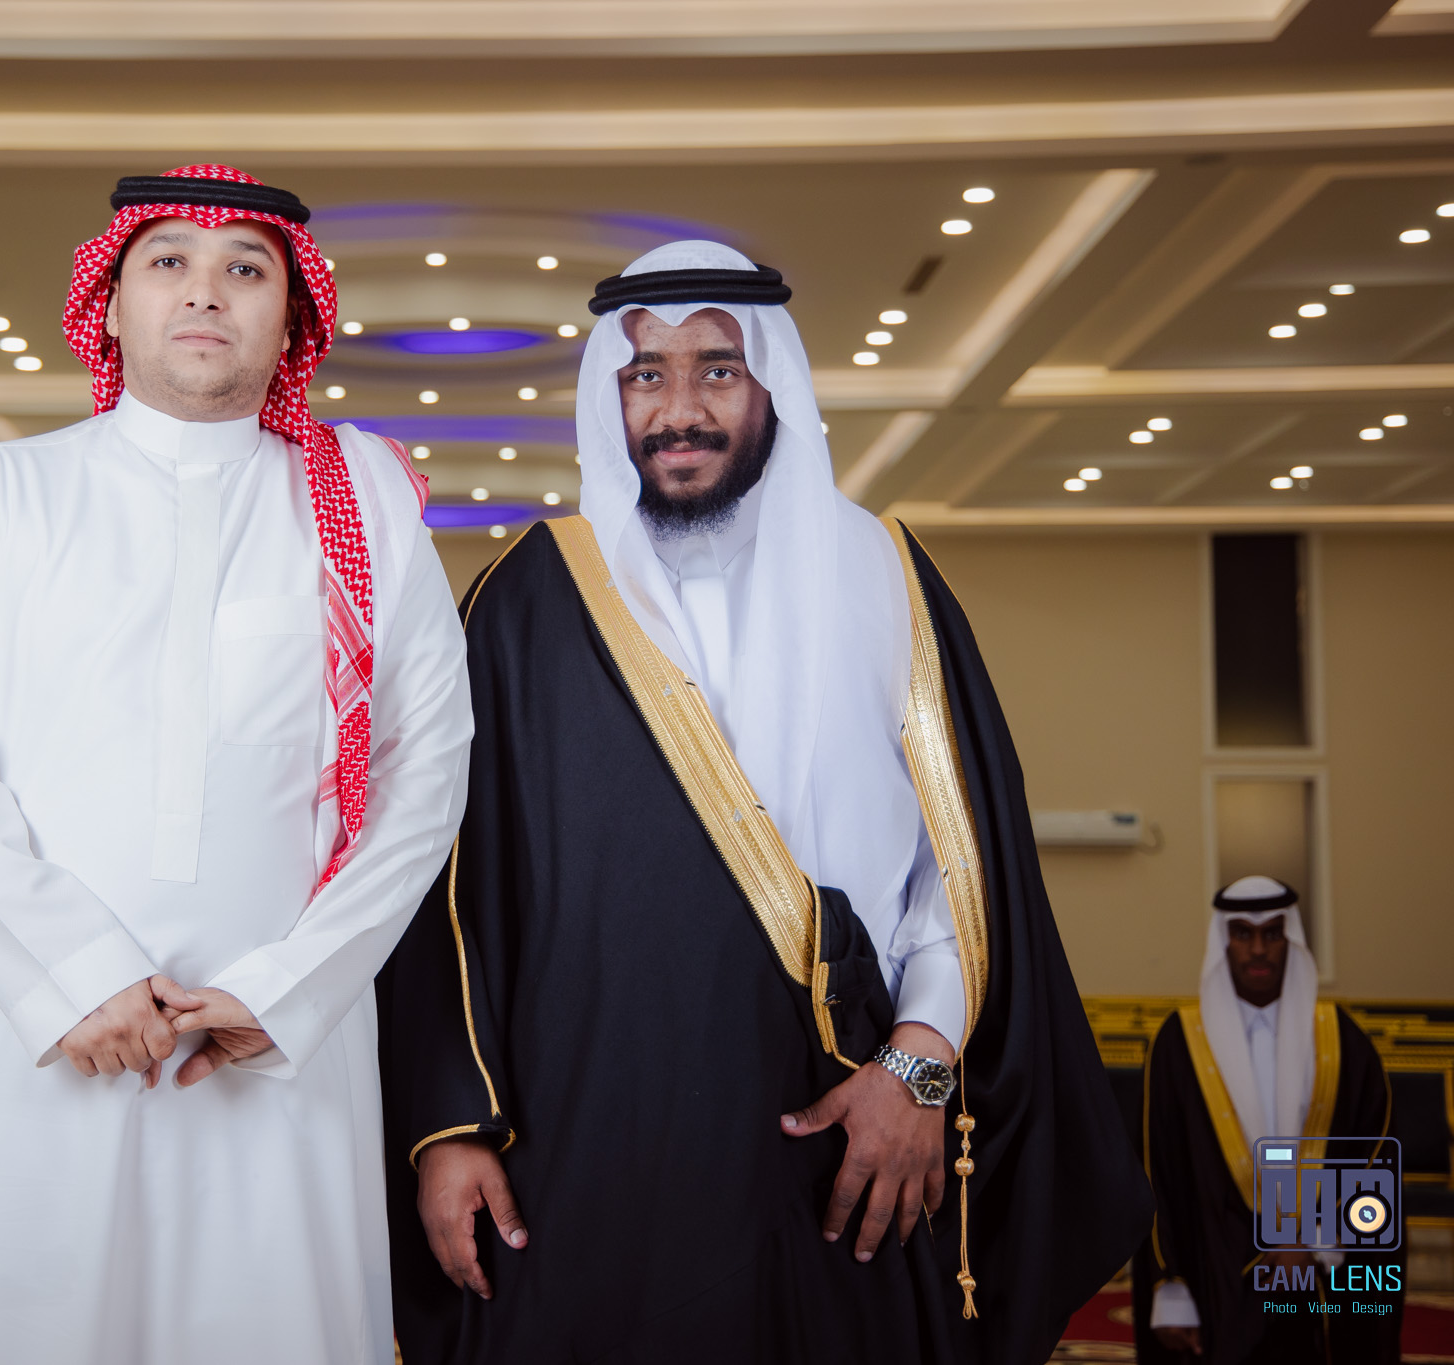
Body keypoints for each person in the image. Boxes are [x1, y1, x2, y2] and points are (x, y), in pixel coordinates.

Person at [377, 239, 1151, 1365]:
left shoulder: (886, 580)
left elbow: (963, 876)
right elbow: (448, 888)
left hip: (842, 1142)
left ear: (772, 382)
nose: (678, 410)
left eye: (717, 370)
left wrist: (919, 1067)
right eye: (646, 375)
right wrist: (450, 1129)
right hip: (581, 1149)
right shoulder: (529, 597)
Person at [0, 165, 472, 1365]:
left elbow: (424, 773)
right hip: (29, 1029)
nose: (205, 292)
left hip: (273, 1047)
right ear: (109, 306)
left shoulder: (363, 513)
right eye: (168, 264)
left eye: (245, 268)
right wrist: (73, 976)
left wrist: (288, 990)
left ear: (292, 321)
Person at [1135, 876, 1403, 1364]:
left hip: (1322, 1277)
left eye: (1272, 934)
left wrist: (1315, 1239)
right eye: (1243, 933)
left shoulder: (1340, 1038)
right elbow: (1156, 1171)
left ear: (1290, 938)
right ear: (1224, 940)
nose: (1258, 950)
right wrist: (1168, 1284)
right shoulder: (1179, 1043)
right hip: (1214, 1272)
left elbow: (1376, 1149)